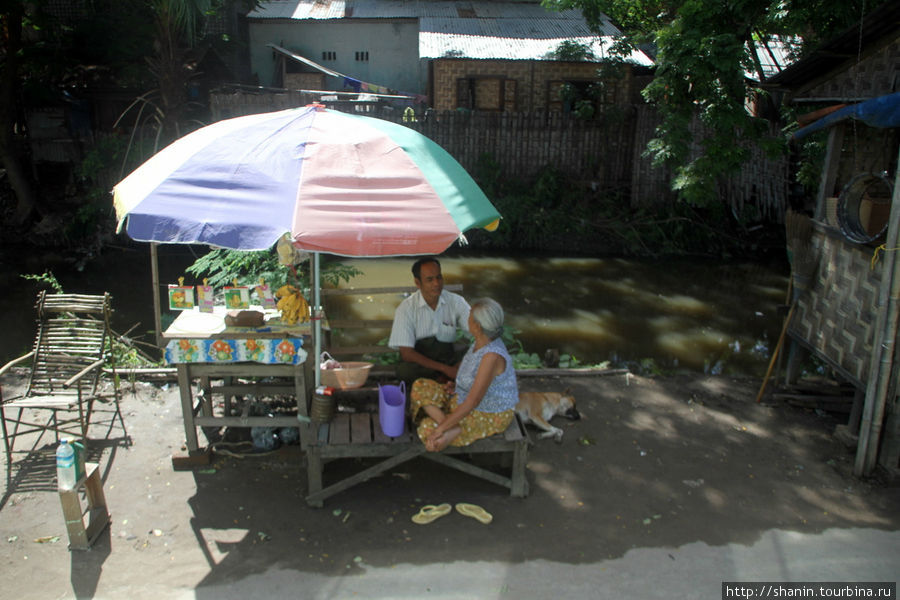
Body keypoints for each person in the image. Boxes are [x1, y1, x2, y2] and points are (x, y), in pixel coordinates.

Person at [408, 298, 518, 452]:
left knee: (427, 428)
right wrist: (458, 385)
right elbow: (475, 379)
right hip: (465, 398)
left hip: (489, 413)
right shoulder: (481, 341)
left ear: (477, 326)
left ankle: (447, 428)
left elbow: (473, 401)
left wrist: (439, 430)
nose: (467, 319)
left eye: (469, 316)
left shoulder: (491, 356)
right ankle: (451, 426)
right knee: (420, 385)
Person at [388, 257, 470, 384]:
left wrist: (460, 364)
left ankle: (445, 379)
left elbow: (478, 334)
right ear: (417, 283)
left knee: (481, 353)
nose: (436, 283)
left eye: (439, 277)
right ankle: (443, 379)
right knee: (405, 371)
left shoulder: (456, 302)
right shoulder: (406, 308)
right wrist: (445, 369)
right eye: (430, 280)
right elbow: (407, 353)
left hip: (449, 359)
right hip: (423, 365)